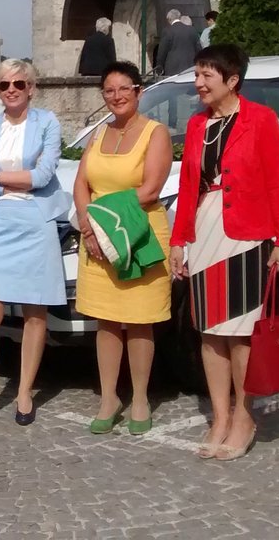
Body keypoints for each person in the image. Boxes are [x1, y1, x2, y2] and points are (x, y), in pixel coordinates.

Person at [170, 44, 279, 461]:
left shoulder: (261, 120)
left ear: (232, 80)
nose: (199, 83)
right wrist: (177, 240)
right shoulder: (195, 125)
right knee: (209, 332)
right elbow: (188, 185)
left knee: (240, 333)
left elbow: (278, 184)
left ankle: (244, 415)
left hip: (247, 234)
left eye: (207, 75)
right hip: (204, 230)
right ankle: (219, 416)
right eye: (197, 74)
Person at [0, 60, 70, 426]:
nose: (11, 89)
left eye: (19, 83)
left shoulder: (48, 123)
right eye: (4, 84)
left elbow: (43, 177)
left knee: (34, 313)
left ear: (32, 87)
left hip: (36, 222)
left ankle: (24, 390)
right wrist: (13, 179)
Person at [72, 61, 173, 436]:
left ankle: (142, 396)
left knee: (139, 321)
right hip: (96, 239)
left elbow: (150, 189)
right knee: (106, 320)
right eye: (109, 90)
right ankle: (109, 397)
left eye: (123, 89)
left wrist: (99, 221)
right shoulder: (99, 133)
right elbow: (81, 182)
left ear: (138, 91)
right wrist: (87, 225)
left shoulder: (155, 133)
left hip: (138, 236)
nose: (116, 96)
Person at [155, 9, 202, 75]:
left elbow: (162, 52)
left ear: (169, 19)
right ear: (179, 17)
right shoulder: (192, 30)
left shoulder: (167, 31)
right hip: (190, 67)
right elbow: (199, 50)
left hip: (173, 68)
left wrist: (159, 68)